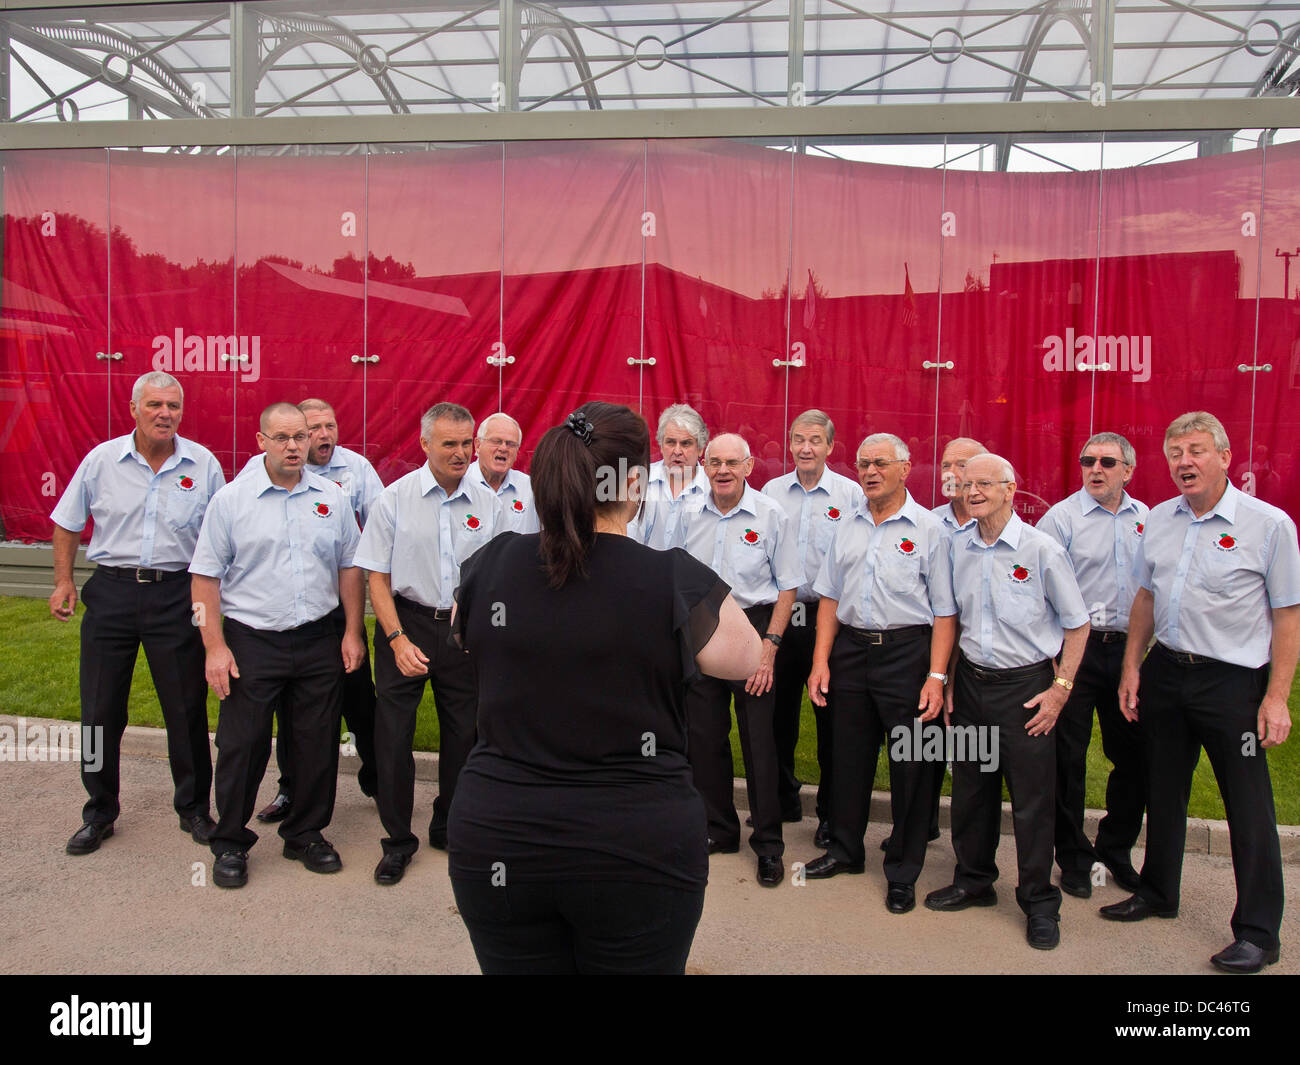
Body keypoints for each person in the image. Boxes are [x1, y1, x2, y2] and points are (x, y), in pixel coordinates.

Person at [448, 402, 760, 973]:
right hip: (636, 849)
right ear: (634, 483)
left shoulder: (490, 564)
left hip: (499, 837)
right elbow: (744, 658)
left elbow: (463, 634)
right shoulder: (670, 577)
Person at [1102, 412, 1299, 975]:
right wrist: (1132, 667)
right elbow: (1145, 596)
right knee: (1162, 788)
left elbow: (1288, 616)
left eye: (1195, 451)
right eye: (1174, 453)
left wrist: (1276, 697)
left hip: (1232, 684)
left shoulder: (1268, 525)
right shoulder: (1159, 519)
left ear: (1223, 457)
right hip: (1167, 672)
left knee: (1248, 804)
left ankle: (1259, 933)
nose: (1183, 462)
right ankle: (1159, 892)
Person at [189, 403, 364, 888]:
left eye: (300, 437)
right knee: (243, 746)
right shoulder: (232, 501)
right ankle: (230, 842)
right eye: (282, 437)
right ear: (261, 440)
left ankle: (305, 834)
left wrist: (351, 631)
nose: (293, 446)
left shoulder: (331, 496)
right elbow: (203, 579)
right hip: (252, 642)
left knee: (316, 744)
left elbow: (350, 566)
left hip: (317, 639)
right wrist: (213, 647)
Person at [50, 371, 224, 855]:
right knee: (99, 711)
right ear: (133, 409)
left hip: (176, 595)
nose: (164, 413)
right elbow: (66, 524)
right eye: (154, 405)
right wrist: (64, 581)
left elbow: (221, 535)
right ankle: (98, 811)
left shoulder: (203, 464)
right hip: (112, 594)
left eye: (172, 405)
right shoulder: (101, 461)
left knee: (185, 709)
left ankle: (193, 809)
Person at [924, 454, 1090, 951]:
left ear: (1010, 488)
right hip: (972, 685)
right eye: (965, 484)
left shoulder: (1041, 550)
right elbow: (953, 620)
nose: (972, 491)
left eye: (983, 484)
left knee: (1032, 802)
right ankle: (973, 880)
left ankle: (1039, 901)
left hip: (1027, 691)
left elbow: (1078, 624)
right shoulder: (957, 548)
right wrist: (950, 680)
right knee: (972, 792)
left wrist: (1059, 690)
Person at [802, 434, 956, 914]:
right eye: (864, 462)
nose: (870, 471)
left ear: (906, 469)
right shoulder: (846, 526)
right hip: (850, 651)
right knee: (848, 757)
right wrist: (820, 661)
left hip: (907, 655)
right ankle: (845, 851)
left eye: (881, 463)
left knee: (911, 765)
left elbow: (946, 612)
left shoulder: (931, 530)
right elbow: (829, 597)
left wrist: (936, 677)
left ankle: (903, 871)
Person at [355, 402, 503, 885]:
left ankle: (449, 825)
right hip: (407, 624)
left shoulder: (489, 503)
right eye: (450, 445)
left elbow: (496, 571)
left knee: (464, 736)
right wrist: (396, 638)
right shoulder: (394, 499)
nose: (461, 454)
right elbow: (376, 576)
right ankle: (397, 841)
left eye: (467, 444)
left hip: (463, 633)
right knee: (393, 738)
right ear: (425, 445)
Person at [673, 433, 802, 886]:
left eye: (733, 462)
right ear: (703, 466)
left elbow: (788, 586)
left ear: (749, 466)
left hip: (754, 626)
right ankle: (719, 830)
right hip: (702, 626)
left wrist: (770, 646)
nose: (722, 470)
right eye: (715, 462)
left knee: (760, 743)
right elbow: (673, 573)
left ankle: (768, 845)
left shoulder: (771, 516)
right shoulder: (685, 513)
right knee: (705, 738)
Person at [250, 398, 383, 825]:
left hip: (338, 613)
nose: (323, 436)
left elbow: (382, 529)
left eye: (330, 426)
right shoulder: (264, 476)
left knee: (362, 702)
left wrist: (356, 624)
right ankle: (291, 789)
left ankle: (380, 781)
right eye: (314, 429)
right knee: (295, 712)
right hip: (292, 619)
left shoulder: (356, 471)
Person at [1036, 432, 1148, 898]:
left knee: (1135, 756)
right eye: (1087, 461)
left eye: (1107, 462)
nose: (1095, 469)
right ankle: (1074, 856)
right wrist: (1057, 660)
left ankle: (1116, 848)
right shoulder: (1060, 519)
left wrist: (1137, 659)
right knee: (1068, 758)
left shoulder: (1149, 519)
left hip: (1129, 652)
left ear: (1128, 470)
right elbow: (1036, 591)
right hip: (1075, 651)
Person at [761, 410, 864, 845]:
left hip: (828, 621)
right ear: (790, 444)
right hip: (782, 618)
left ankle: (829, 812)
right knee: (776, 715)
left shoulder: (851, 494)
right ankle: (783, 798)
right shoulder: (770, 492)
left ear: (829, 447)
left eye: (815, 440)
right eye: (799, 439)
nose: (806, 448)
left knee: (831, 721)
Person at [629, 403, 709, 550]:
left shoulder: (712, 489)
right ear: (660, 445)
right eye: (671, 442)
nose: (677, 451)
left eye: (686, 443)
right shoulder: (639, 480)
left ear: (700, 449)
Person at [471, 411, 539, 534]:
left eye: (511, 444)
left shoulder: (531, 489)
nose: (503, 448)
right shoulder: (458, 484)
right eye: (496, 441)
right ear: (478, 445)